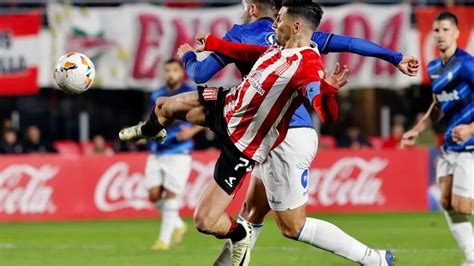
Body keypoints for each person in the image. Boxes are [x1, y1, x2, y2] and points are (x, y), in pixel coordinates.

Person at [121, 1, 392, 265]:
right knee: (249, 211)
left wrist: (328, 92)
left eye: (280, 17)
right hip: (230, 107)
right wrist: (215, 44)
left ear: (296, 26)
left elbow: (326, 111)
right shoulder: (278, 45)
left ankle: (374, 260)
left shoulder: (308, 64)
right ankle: (151, 131)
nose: (274, 21)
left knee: (292, 226)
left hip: (269, 138)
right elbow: (251, 54)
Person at [401, 12, 473, 266]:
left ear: (456, 33)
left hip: (470, 146)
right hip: (450, 146)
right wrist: (416, 130)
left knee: (463, 206)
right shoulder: (433, 67)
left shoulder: (467, 64)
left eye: (445, 30)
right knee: (446, 203)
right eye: (436, 30)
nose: (440, 35)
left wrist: (471, 129)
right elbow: (437, 106)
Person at [142, 58, 202, 251]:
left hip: (180, 150)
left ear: (181, 72)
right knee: (153, 194)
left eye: (174, 70)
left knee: (170, 194)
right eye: (167, 70)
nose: (170, 74)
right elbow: (152, 118)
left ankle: (164, 241)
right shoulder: (157, 95)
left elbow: (206, 116)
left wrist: (191, 132)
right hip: (157, 149)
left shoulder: (190, 93)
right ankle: (177, 224)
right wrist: (144, 132)